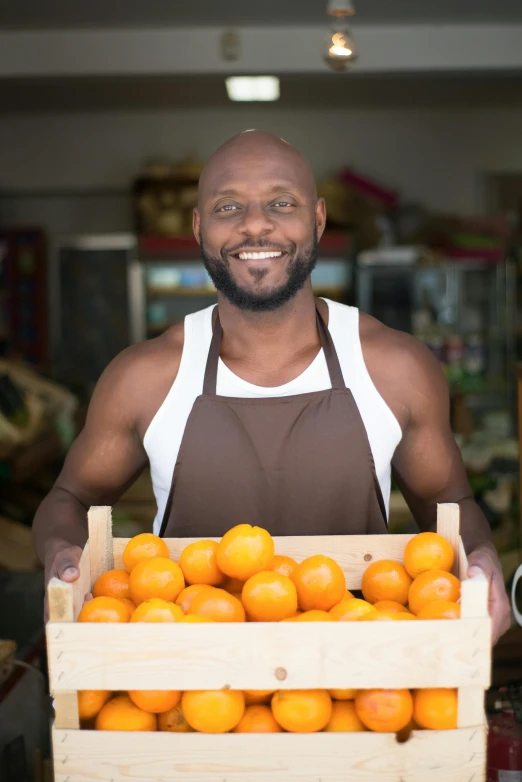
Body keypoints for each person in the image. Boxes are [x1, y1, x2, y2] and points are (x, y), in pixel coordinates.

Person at [33, 130, 510, 643]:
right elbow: (68, 498)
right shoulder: (143, 377)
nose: (255, 224)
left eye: (281, 203)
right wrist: (63, 557)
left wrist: (482, 560)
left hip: (362, 683)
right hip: (183, 690)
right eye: (227, 206)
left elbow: (451, 503)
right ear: (198, 227)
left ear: (319, 219)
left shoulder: (396, 367)